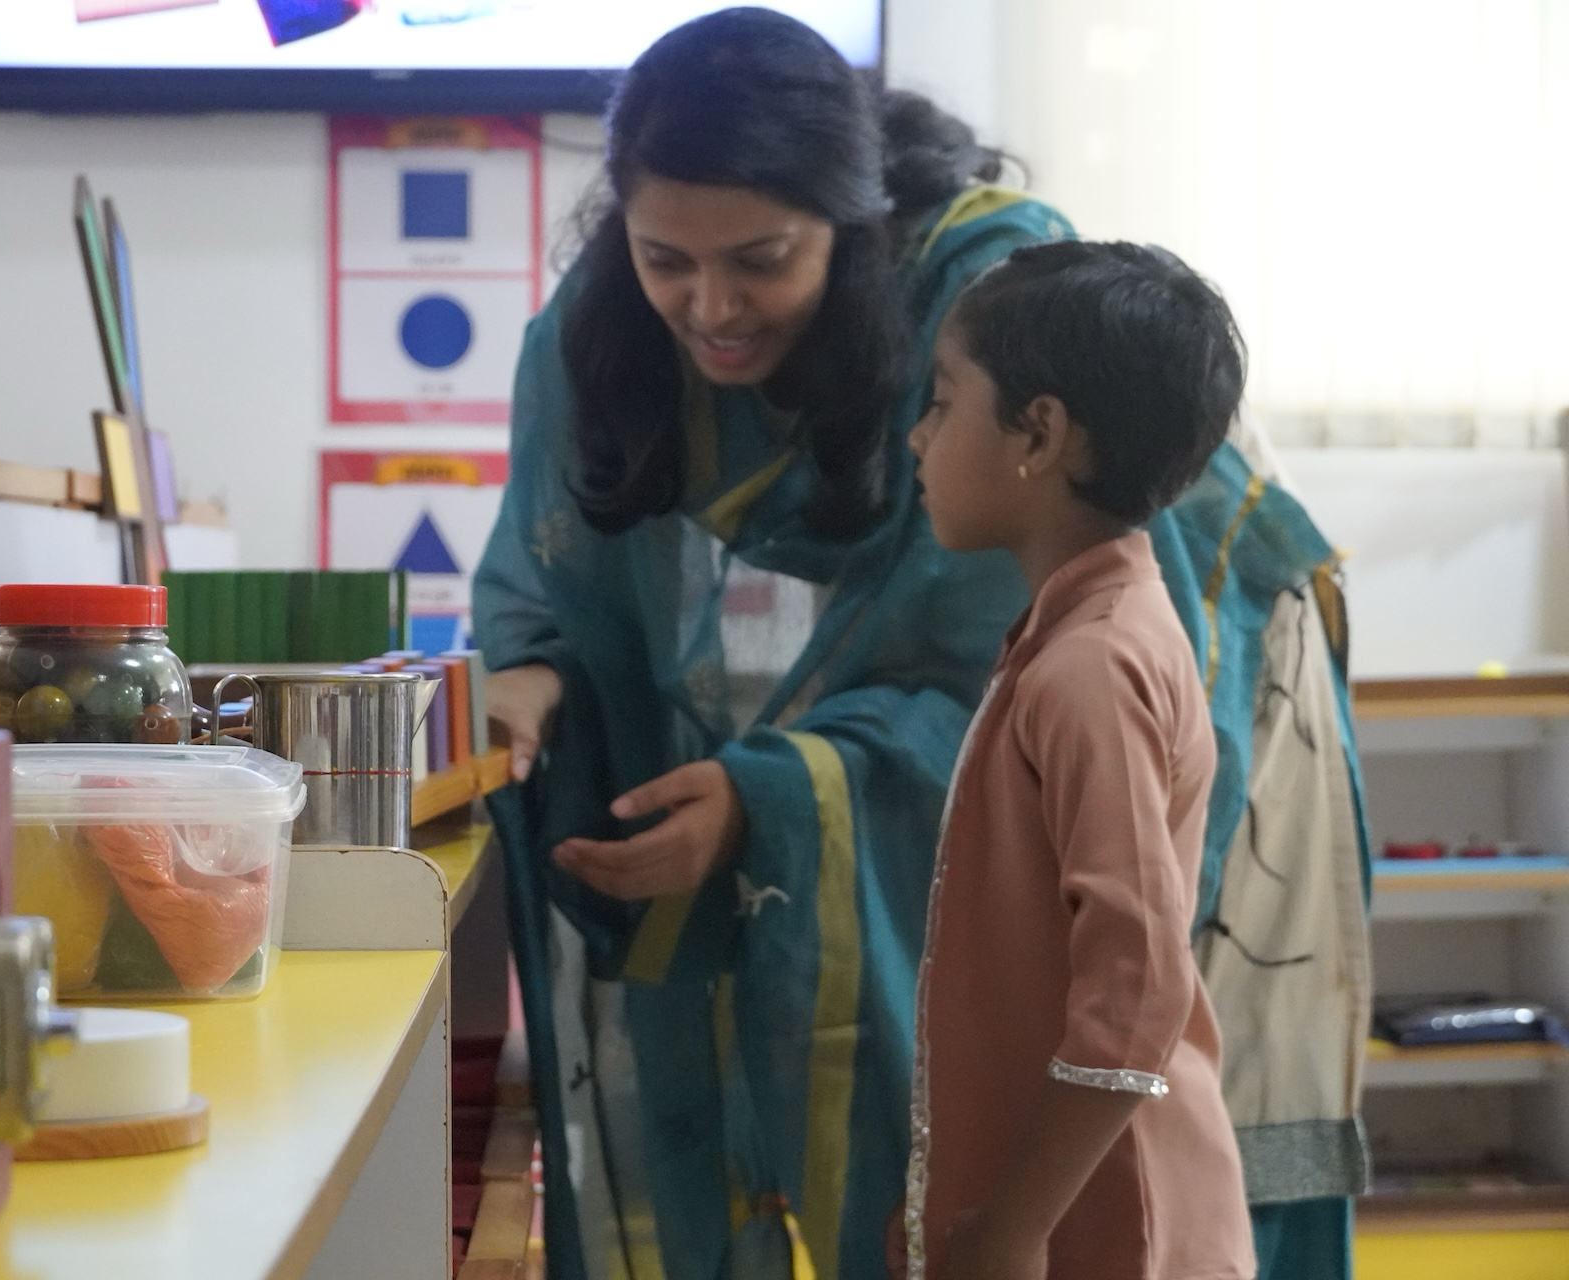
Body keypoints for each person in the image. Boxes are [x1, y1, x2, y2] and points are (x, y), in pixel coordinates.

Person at [473, 9, 1369, 1280]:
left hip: (1203, 707)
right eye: (665, 257)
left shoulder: (1019, 415)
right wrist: (536, 672)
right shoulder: (601, 334)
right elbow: (559, 588)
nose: (709, 307)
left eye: (761, 258)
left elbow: (1126, 996)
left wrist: (1005, 1226)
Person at [896, 241, 1255, 1280]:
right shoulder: (1086, 631)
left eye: (945, 400)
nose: (919, 436)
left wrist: (1013, 1226)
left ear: (1039, 434)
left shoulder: (1090, 665)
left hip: (1112, 1222)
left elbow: (1138, 985)